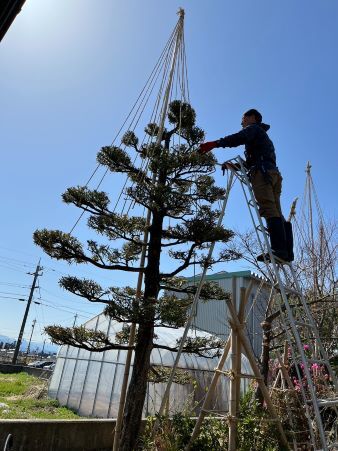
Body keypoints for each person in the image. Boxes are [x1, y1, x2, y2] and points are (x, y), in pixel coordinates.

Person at [198, 108, 293, 262]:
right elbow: (250, 163)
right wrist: (234, 166)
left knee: (268, 209)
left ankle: (278, 250)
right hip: (272, 173)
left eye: (243, 118)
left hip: (262, 174)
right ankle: (287, 252)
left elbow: (238, 138)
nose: (241, 122)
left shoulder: (253, 129)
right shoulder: (262, 137)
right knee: (276, 212)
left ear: (252, 118)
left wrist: (215, 144)